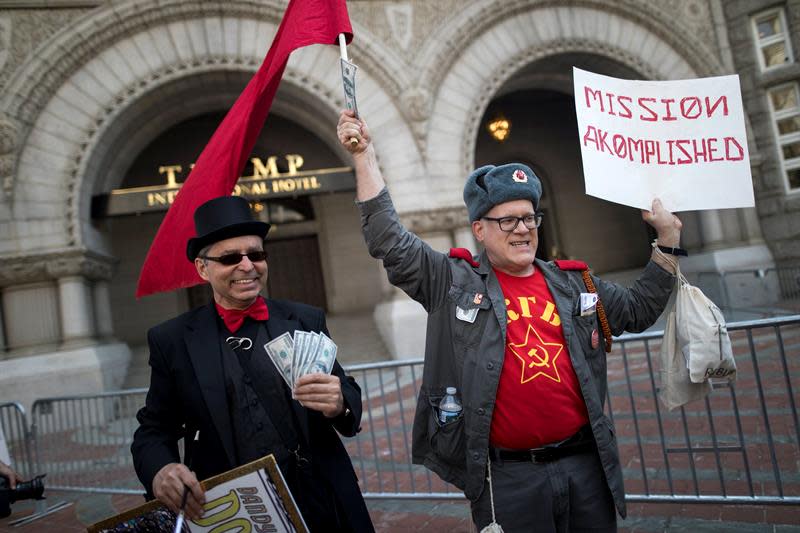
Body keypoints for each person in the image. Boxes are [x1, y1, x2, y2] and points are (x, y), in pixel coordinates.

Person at [337, 110, 683, 532]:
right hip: (507, 479)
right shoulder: (453, 282)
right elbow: (389, 239)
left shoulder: (575, 283)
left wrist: (666, 242)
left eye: (529, 217)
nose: (523, 229)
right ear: (479, 229)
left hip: (585, 467)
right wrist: (365, 156)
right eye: (508, 220)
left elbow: (639, 309)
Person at [131, 195, 374, 533]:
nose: (247, 266)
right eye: (230, 257)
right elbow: (153, 430)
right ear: (203, 268)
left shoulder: (305, 319)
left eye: (256, 254)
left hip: (321, 498)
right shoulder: (172, 341)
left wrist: (339, 403)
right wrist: (161, 469)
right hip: (238, 510)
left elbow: (347, 396)